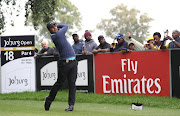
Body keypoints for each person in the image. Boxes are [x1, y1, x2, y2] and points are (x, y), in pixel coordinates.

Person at [45, 21, 77, 112]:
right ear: (49, 30)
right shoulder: (57, 35)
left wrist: (56, 26)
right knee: (59, 83)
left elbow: (63, 27)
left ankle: (71, 105)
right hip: (64, 63)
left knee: (72, 84)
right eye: (52, 27)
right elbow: (66, 25)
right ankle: (49, 99)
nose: (55, 28)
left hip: (73, 62)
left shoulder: (58, 33)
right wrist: (58, 26)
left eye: (55, 26)